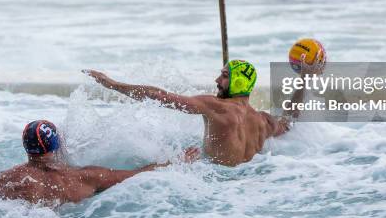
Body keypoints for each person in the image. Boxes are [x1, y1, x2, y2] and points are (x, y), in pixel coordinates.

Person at [85, 60, 291, 167]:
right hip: (245, 185)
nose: (217, 80)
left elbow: (160, 96)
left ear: (238, 82)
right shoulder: (264, 121)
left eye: (224, 76)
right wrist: (307, 79)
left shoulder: (216, 107)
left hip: (215, 185)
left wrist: (112, 84)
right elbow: (289, 121)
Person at [0, 120, 199, 205]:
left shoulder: (7, 179)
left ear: (26, 146)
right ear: (56, 145)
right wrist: (177, 161)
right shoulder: (84, 176)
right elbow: (139, 174)